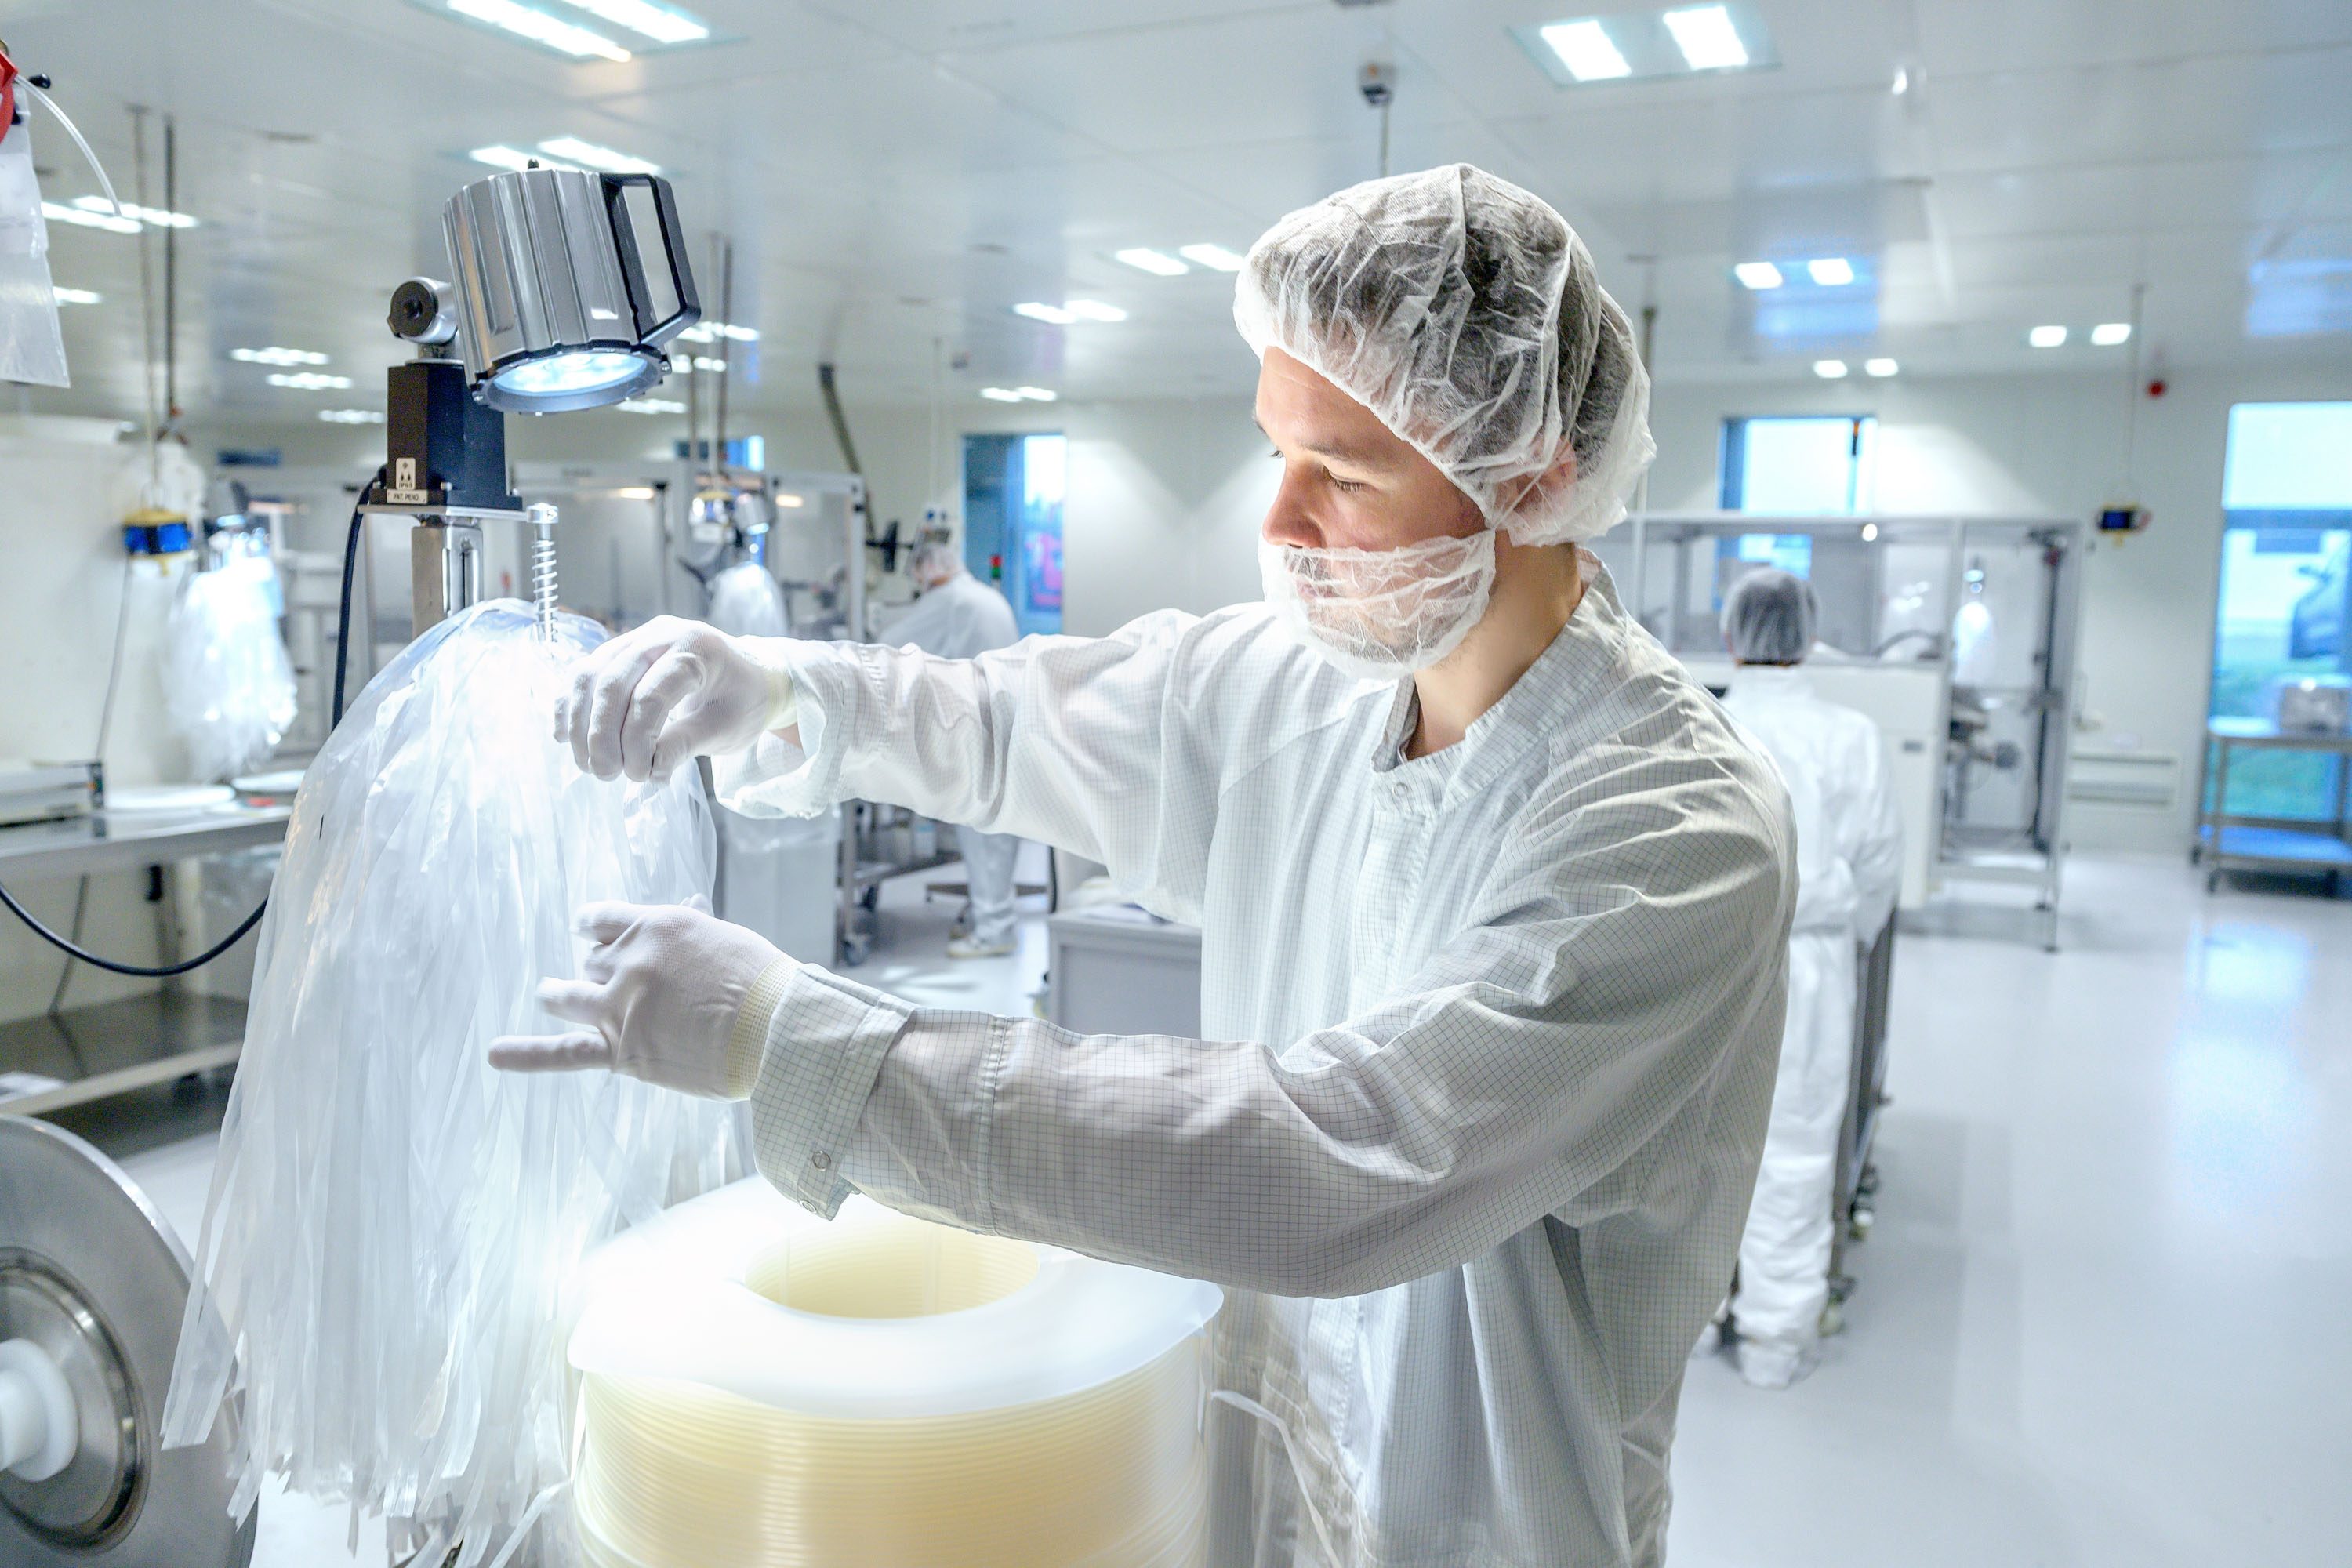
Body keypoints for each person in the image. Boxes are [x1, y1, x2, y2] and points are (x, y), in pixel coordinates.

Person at [492, 164, 1795, 1567]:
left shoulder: (1669, 830)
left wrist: (798, 1040)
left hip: (1498, 1525)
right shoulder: (1299, 684)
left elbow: (1344, 1156)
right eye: (1276, 455)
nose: (1281, 525)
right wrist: (783, 687)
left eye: (1344, 476)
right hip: (1265, 1463)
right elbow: (1014, 718)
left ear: (1532, 475)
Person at [1712, 568, 1904, 1389]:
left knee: (1691, 1148)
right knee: (1791, 1151)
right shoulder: (1850, 735)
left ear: (1732, 637)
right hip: (1811, 964)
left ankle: (1681, 1322)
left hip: (1706, 960)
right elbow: (1878, 866)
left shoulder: (1699, 717)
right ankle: (1773, 1343)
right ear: (1808, 636)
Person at [880, 535, 1026, 958]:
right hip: (1004, 721)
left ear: (926, 568)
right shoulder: (985, 596)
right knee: (997, 831)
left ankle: (994, 931)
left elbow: (890, 641)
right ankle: (994, 921)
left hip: (978, 728)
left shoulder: (948, 600)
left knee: (982, 834)